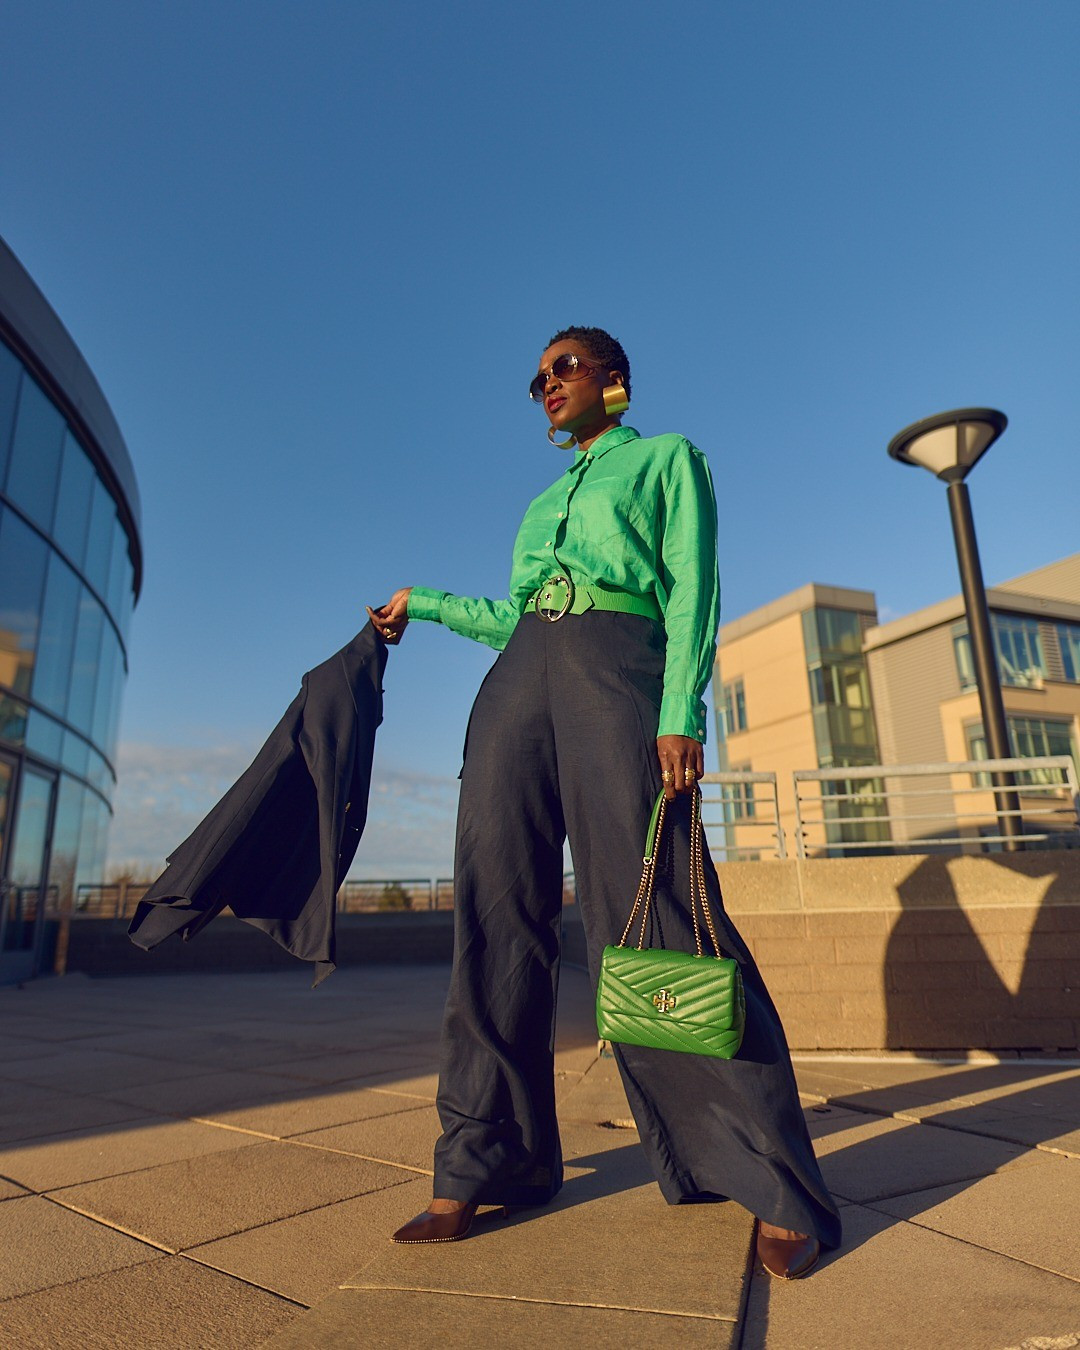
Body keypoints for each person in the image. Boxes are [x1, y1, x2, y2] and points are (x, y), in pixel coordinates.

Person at [367, 326, 840, 1279]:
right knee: (494, 912)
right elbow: (513, 617)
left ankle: (767, 1174)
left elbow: (693, 586)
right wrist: (426, 601)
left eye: (564, 367)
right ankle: (483, 1162)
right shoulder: (542, 502)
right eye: (538, 377)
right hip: (516, 688)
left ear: (612, 379)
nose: (547, 384)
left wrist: (680, 712)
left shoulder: (666, 460)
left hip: (617, 676)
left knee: (654, 903)